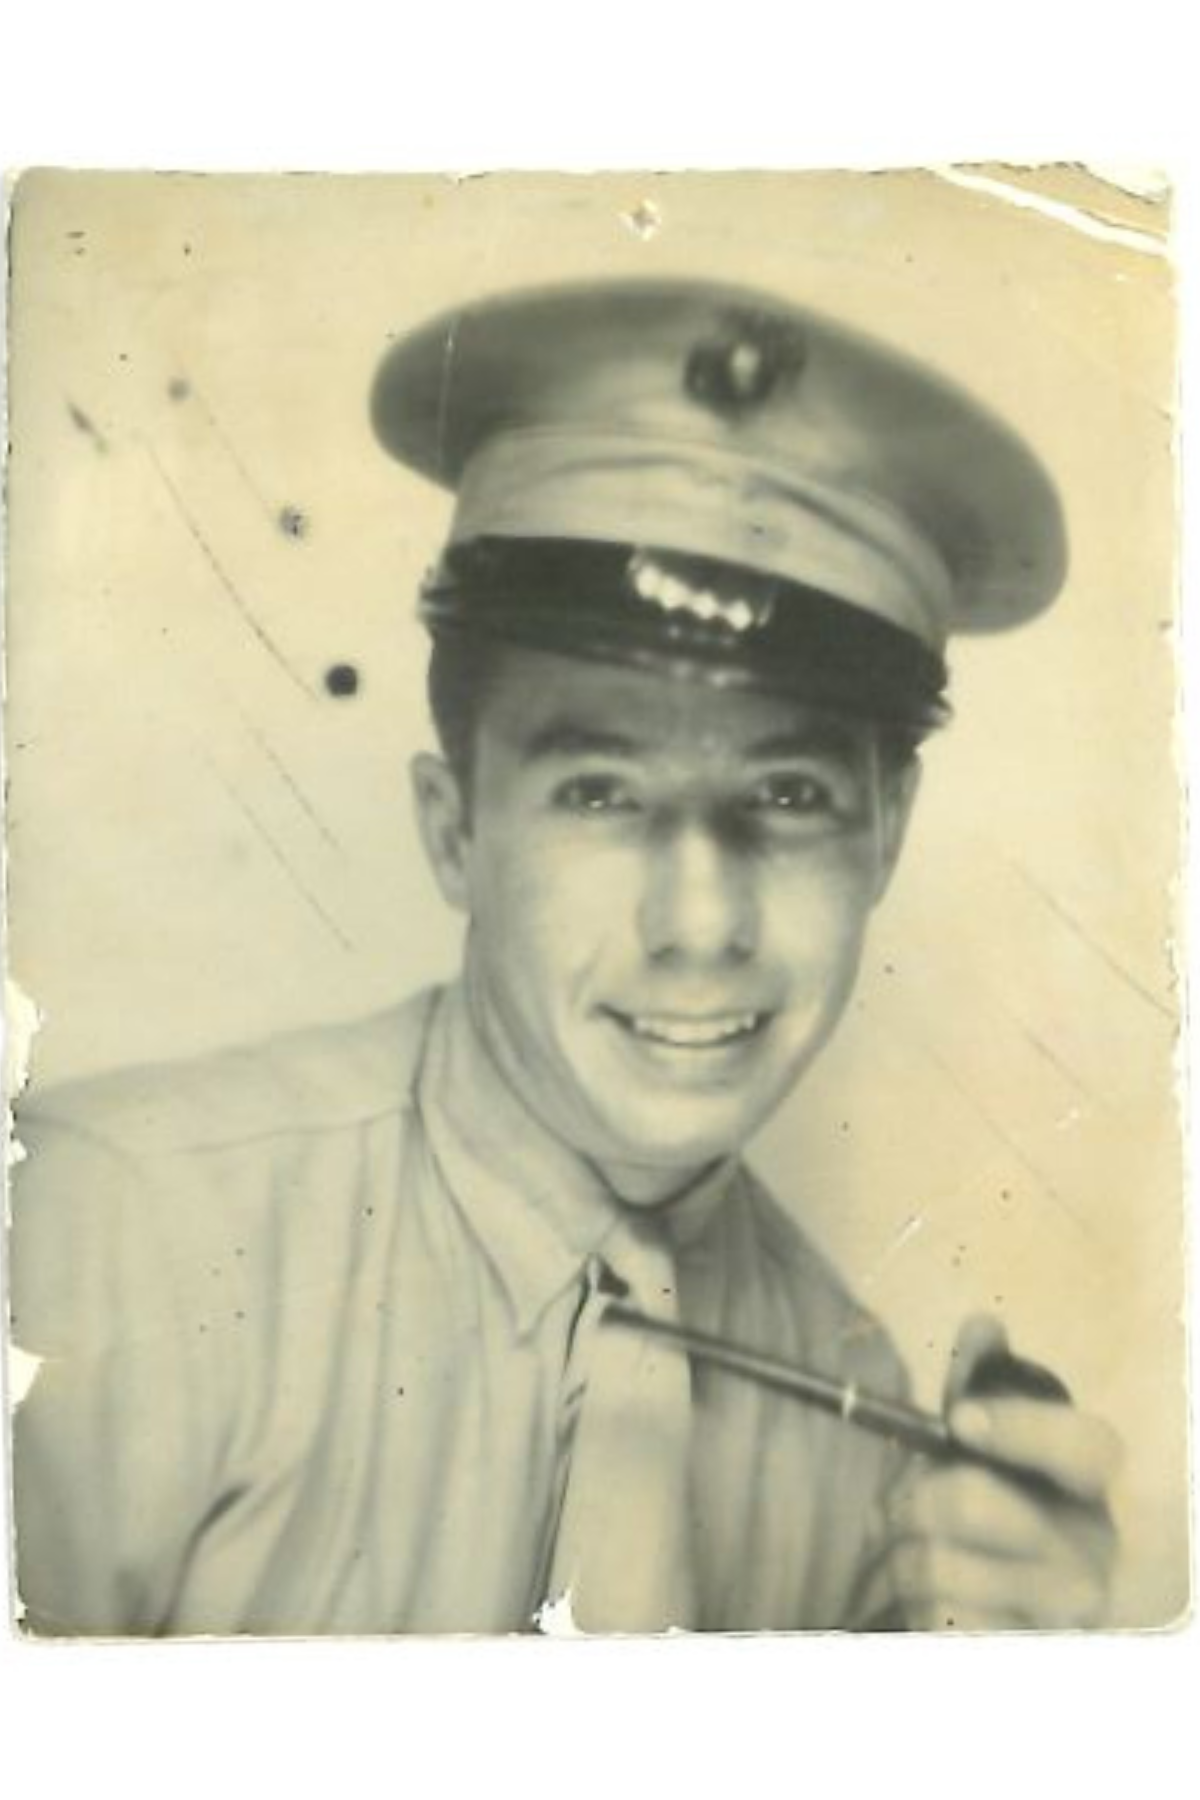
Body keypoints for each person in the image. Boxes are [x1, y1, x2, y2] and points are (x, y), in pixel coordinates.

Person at [8, 277, 1120, 1636]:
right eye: (599, 791)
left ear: (885, 839)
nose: (699, 925)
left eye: (789, 796)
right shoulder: (98, 1246)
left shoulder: (871, 1437)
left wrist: (1029, 1697)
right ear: (456, 831)